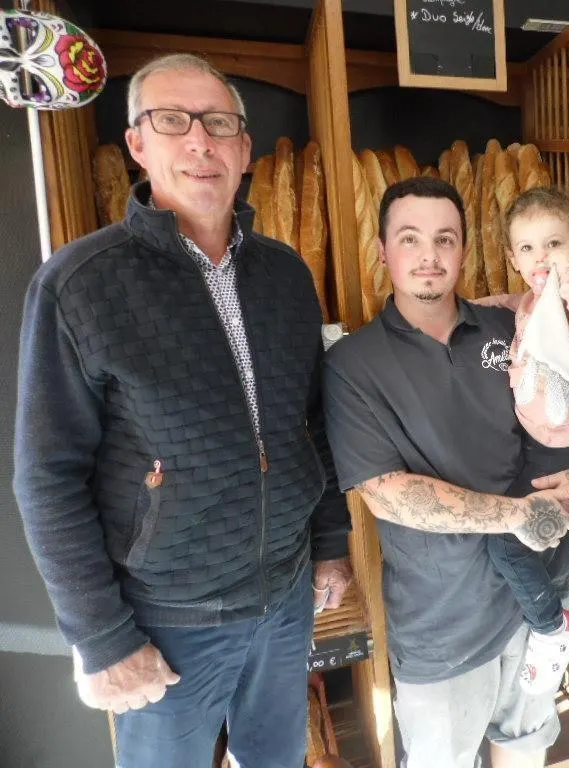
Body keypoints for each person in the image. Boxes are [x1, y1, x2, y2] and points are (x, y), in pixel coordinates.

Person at [13, 53, 351, 767]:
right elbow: (47, 477)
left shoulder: (287, 275)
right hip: (168, 618)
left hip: (286, 595)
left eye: (219, 124)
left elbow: (311, 425)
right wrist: (101, 637)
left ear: (244, 149)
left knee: (277, 758)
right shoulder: (79, 284)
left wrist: (328, 544)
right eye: (173, 120)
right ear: (138, 143)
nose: (200, 141)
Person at [323, 176, 569, 768]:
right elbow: (388, 494)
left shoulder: (512, 328)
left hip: (539, 607)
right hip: (443, 624)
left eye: (445, 239)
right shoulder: (352, 364)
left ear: (465, 251)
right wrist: (516, 516)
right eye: (410, 238)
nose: (429, 255)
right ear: (382, 250)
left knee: (526, 748)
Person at [476, 186, 569, 693]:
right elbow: (507, 306)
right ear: (513, 258)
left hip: (561, 446)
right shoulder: (531, 303)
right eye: (528, 248)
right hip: (537, 442)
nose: (542, 257)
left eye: (554, 244)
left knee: (506, 541)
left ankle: (553, 628)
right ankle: (558, 592)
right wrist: (462, 308)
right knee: (541, 541)